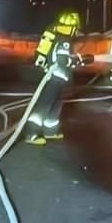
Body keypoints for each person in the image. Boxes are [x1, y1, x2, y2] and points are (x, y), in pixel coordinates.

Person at [25, 10, 86, 145]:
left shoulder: (59, 38)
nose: (76, 31)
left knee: (55, 105)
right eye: (75, 28)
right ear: (71, 27)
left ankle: (50, 131)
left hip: (58, 78)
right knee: (44, 105)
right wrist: (77, 61)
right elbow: (63, 61)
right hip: (54, 77)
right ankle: (31, 134)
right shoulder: (64, 41)